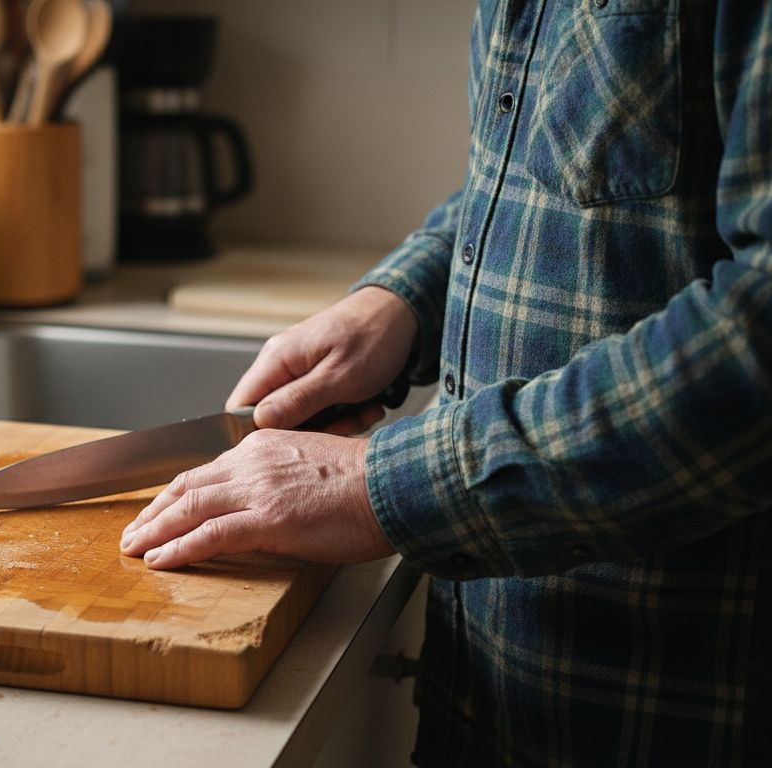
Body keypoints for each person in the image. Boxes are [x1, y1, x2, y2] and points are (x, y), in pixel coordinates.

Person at [119, 2, 771, 765]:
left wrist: (383, 482)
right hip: (486, 695)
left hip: (668, 721)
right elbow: (538, 175)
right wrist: (401, 299)